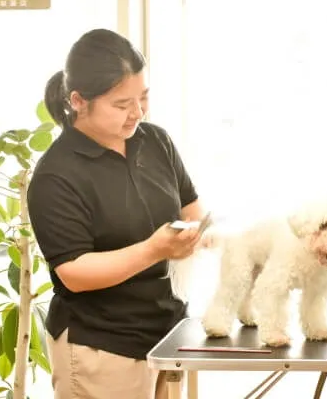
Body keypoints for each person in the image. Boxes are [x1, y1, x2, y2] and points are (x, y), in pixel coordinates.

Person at [27, 28, 204, 399]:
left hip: (166, 335)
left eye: (143, 98)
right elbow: (74, 273)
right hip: (101, 347)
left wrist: (193, 236)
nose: (137, 112)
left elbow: (190, 207)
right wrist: (155, 249)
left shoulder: (155, 141)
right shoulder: (56, 174)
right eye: (122, 105)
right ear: (78, 101)